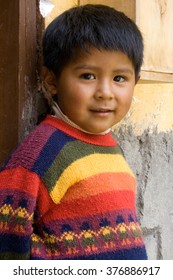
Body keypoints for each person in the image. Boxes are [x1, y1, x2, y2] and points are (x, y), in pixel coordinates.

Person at [0, 4, 147, 260]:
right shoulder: (42, 154)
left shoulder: (110, 145)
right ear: (52, 81)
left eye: (120, 78)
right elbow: (8, 237)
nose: (105, 92)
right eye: (88, 76)